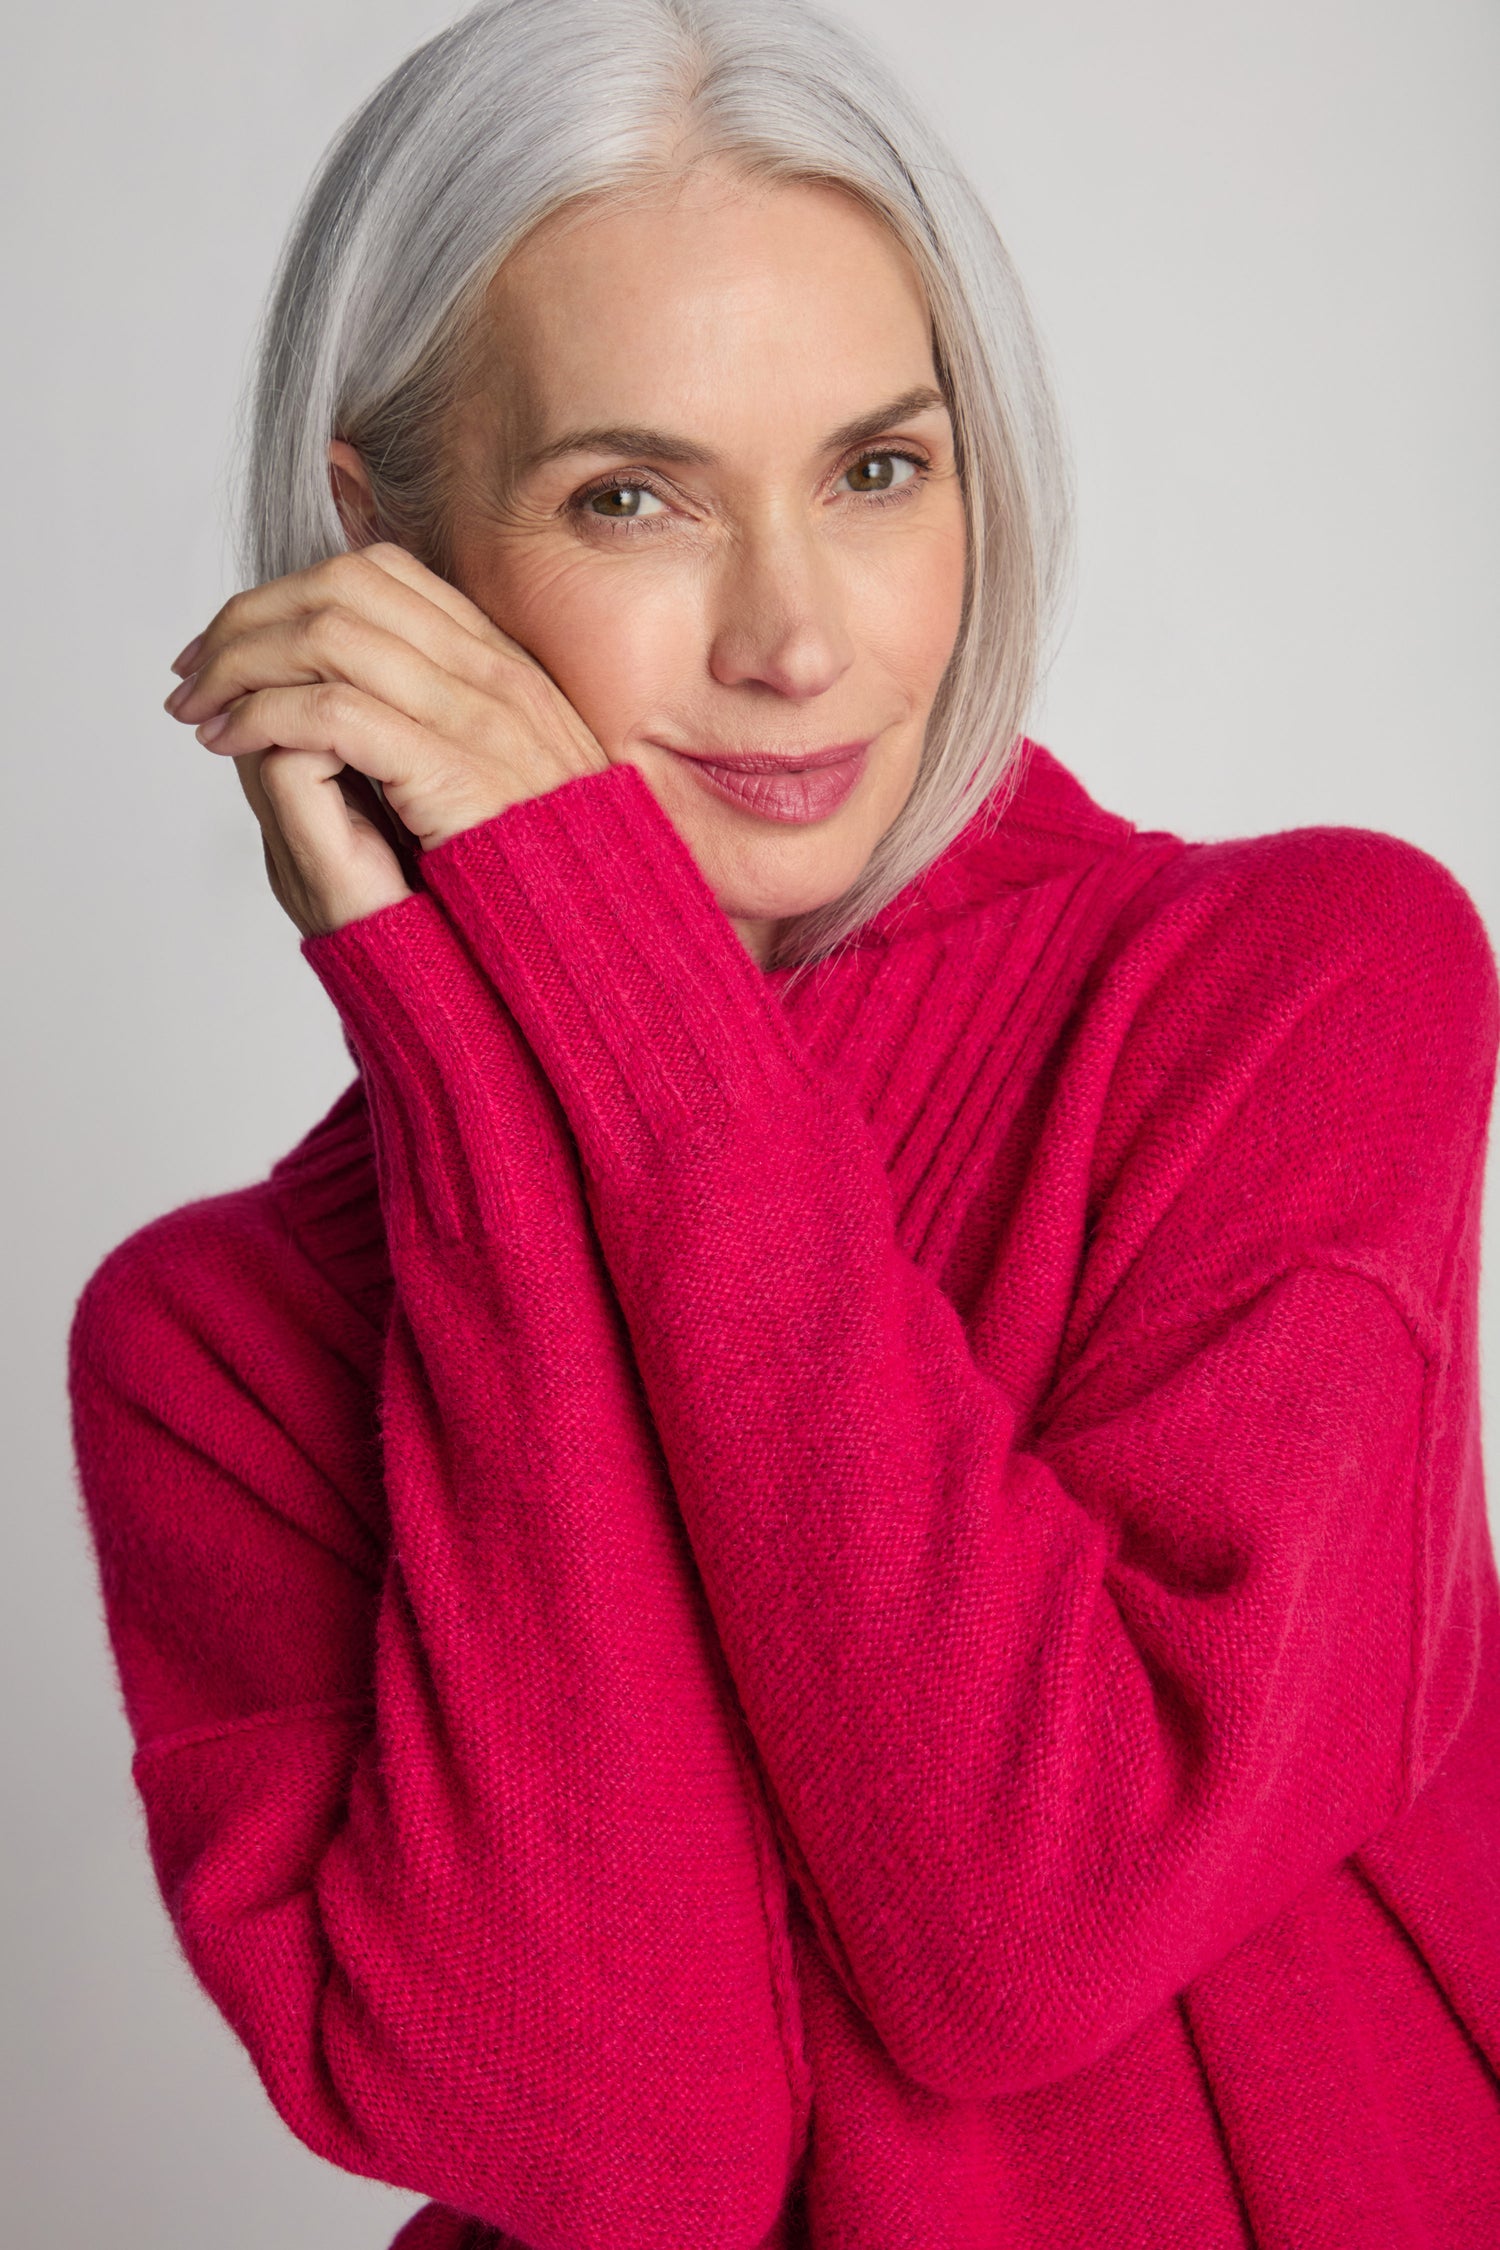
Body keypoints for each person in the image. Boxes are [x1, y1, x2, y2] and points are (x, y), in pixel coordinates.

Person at [66, 1, 1500, 2244]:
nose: (795, 639)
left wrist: (590, 985)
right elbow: (628, 2155)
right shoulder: (213, 1351)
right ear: (393, 547)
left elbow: (1041, 1919)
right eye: (630, 495)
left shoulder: (1302, 995)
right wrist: (478, 1088)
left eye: (876, 470)